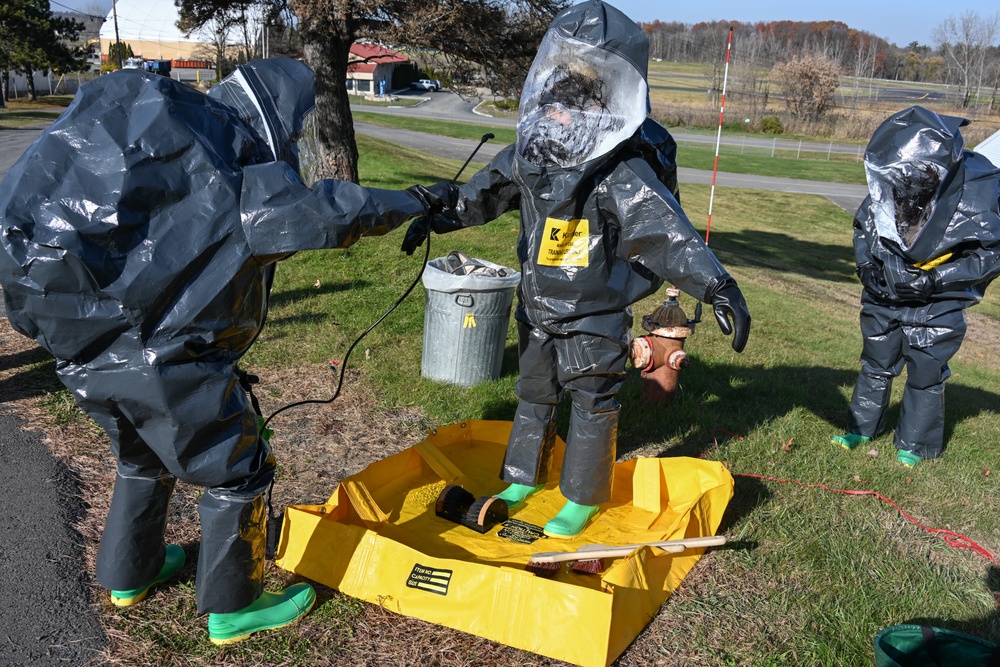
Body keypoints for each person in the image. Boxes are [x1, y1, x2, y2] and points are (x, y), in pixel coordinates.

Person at [0, 57, 453, 643]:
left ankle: (128, 576)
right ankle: (235, 606)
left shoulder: (168, 145)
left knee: (141, 459)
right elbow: (331, 213)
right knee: (239, 471)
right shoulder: (237, 176)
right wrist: (420, 200)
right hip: (168, 359)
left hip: (84, 351)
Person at [402, 0, 750, 539]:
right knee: (535, 393)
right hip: (539, 302)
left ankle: (582, 496)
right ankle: (522, 477)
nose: (559, 116)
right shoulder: (530, 153)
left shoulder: (617, 168)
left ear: (598, 107)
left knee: (592, 399)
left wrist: (718, 286)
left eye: (572, 106)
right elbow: (482, 195)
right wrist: (433, 215)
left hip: (594, 308)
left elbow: (663, 230)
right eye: (554, 103)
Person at [833, 106, 1000, 467]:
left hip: (937, 302)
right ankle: (860, 429)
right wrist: (866, 266)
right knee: (876, 362)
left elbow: (990, 254)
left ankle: (916, 444)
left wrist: (938, 278)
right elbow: (865, 227)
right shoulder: (892, 183)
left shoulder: (979, 191)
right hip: (884, 292)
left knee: (925, 372)